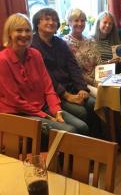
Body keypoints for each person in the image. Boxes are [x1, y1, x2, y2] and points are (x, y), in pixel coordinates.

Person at [0, 13, 88, 134]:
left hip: (42, 106)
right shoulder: (3, 60)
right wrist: (44, 116)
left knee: (82, 127)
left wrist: (56, 110)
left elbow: (48, 87)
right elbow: (15, 101)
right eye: (19, 31)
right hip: (18, 113)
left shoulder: (35, 54)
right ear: (9, 33)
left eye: (27, 30)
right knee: (70, 132)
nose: (24, 34)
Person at [31, 8, 103, 138]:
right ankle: (87, 147)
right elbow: (46, 77)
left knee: (94, 104)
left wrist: (81, 88)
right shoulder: (33, 46)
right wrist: (67, 95)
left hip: (71, 87)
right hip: (54, 94)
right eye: (47, 19)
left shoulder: (60, 43)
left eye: (54, 19)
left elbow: (73, 67)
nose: (51, 22)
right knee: (81, 112)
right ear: (37, 23)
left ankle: (99, 143)